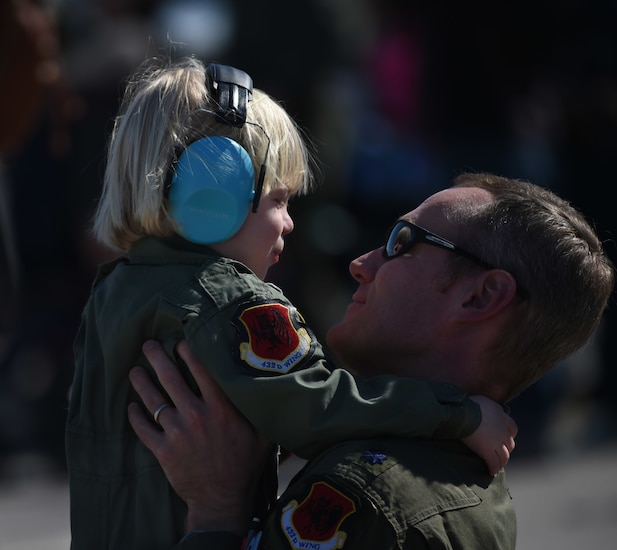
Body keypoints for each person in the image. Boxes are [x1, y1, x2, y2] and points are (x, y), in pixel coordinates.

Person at [67, 56, 515, 550]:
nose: (288, 223)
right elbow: (318, 407)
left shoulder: (113, 292)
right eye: (279, 200)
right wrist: (458, 415)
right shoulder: (233, 300)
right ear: (213, 193)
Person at [127, 172, 616, 549]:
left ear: (481, 296)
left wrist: (216, 512)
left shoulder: (363, 497)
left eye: (400, 243)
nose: (361, 265)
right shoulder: (470, 473)